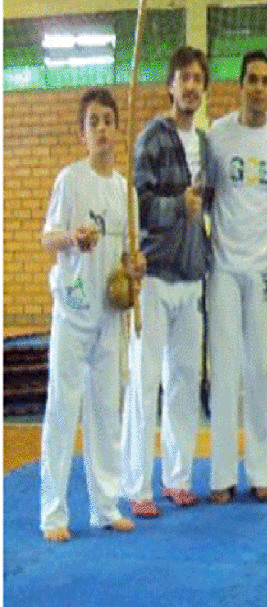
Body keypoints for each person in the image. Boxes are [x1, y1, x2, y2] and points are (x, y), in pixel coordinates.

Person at [39, 88, 145, 541]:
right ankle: (54, 513)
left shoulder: (127, 192)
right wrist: (70, 238)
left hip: (108, 318)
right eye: (93, 123)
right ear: (83, 134)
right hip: (72, 310)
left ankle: (105, 505)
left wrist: (134, 269)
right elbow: (47, 237)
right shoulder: (70, 179)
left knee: (106, 411)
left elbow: (128, 259)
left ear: (118, 129)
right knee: (63, 408)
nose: (102, 129)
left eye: (108, 121)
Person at [120, 47, 212, 519]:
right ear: (170, 85)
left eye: (199, 78)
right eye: (184, 78)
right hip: (154, 276)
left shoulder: (207, 145)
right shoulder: (153, 138)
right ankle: (137, 483)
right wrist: (179, 205)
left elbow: (209, 210)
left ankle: (177, 478)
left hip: (191, 276)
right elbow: (137, 206)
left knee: (182, 383)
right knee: (145, 382)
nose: (192, 86)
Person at [207, 50, 267, 504]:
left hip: (261, 268)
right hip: (222, 265)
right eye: (251, 80)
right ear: (239, 85)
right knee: (224, 370)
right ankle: (222, 474)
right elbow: (202, 196)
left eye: (265, 81)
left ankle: (261, 470)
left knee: (259, 370)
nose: (258, 87)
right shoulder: (219, 135)